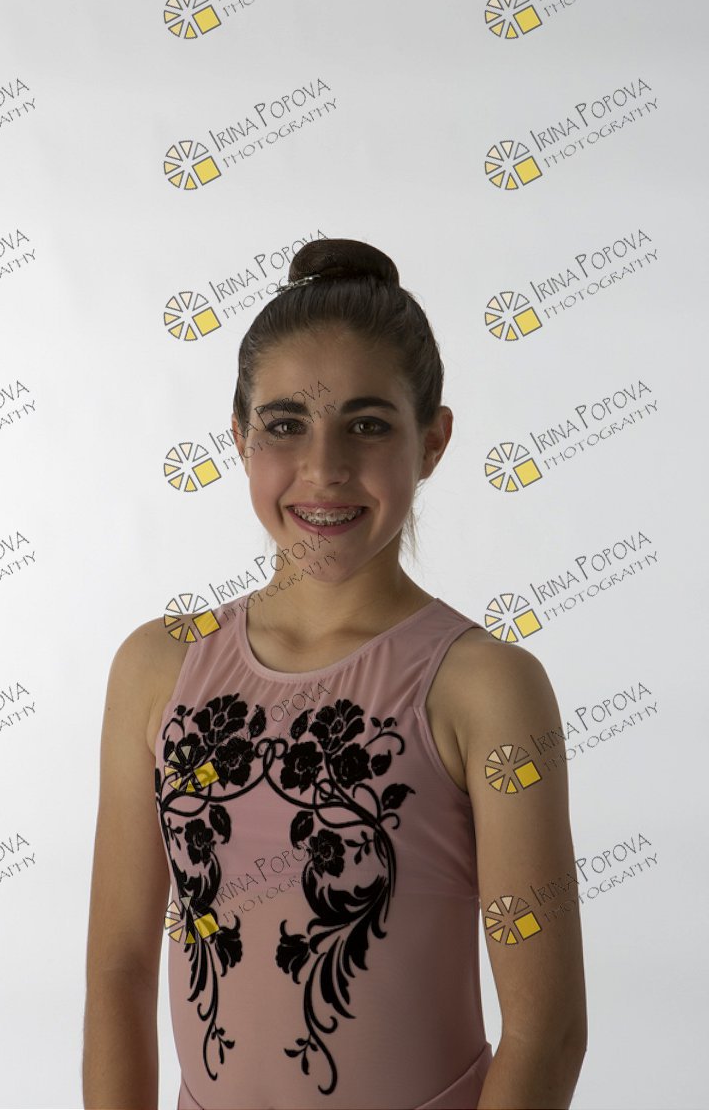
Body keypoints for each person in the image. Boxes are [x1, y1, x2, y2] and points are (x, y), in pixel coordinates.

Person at [83, 238, 587, 1110]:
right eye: (286, 424)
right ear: (240, 438)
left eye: (368, 424)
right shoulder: (157, 666)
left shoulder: (485, 687)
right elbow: (119, 969)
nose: (324, 467)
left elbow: (547, 1029)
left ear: (433, 441)